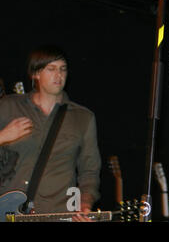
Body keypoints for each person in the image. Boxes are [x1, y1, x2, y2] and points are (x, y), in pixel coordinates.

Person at [0, 46, 101, 221]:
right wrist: (3, 136)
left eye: (63, 69)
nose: (59, 75)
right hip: (7, 211)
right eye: (52, 69)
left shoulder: (83, 117)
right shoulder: (8, 106)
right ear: (35, 74)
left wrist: (85, 205)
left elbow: (89, 171)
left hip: (58, 212)